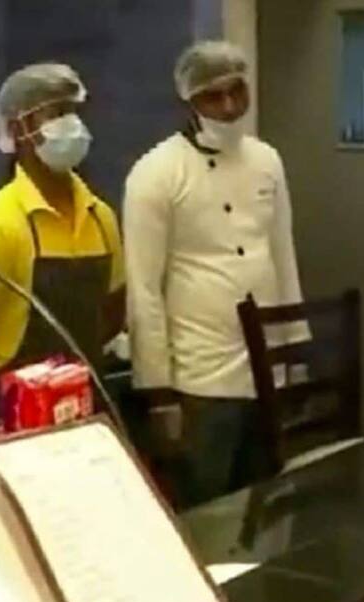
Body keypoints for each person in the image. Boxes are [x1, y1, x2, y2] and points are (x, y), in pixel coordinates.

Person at [124, 41, 305, 507]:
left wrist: (296, 353)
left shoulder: (267, 161)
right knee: (207, 510)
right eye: (213, 96)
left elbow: (283, 258)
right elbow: (144, 291)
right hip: (199, 379)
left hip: (267, 370)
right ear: (188, 101)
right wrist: (159, 394)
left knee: (267, 506)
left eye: (236, 91)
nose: (228, 107)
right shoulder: (155, 174)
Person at [0, 64, 125, 394]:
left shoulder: (101, 217)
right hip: (17, 412)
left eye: (73, 110)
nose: (72, 124)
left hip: (87, 401)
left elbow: (112, 313)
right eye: (55, 113)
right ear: (17, 129)